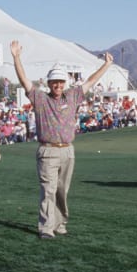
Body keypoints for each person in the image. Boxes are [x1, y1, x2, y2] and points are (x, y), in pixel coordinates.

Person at [11, 39, 114, 239]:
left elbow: (90, 82)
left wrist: (107, 65)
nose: (58, 85)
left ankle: (59, 223)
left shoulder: (72, 96)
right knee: (48, 189)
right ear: (49, 83)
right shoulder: (40, 98)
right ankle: (46, 227)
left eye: (60, 82)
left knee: (61, 190)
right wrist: (16, 57)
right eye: (54, 82)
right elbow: (24, 80)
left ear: (64, 83)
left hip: (68, 150)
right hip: (48, 150)